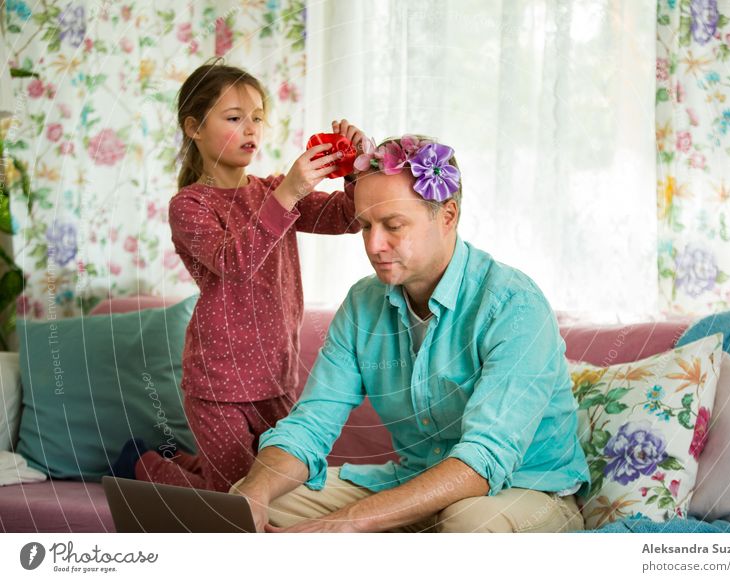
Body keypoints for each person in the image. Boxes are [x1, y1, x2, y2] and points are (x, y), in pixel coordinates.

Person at [231, 135, 590, 532]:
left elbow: (485, 459)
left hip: (525, 491)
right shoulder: (363, 303)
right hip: (414, 480)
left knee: (465, 524)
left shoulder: (514, 304)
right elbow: (311, 424)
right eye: (365, 225)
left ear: (448, 216)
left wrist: (348, 523)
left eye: (393, 225)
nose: (374, 244)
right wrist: (256, 490)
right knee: (250, 505)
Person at [111, 59, 365, 492]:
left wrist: (359, 166)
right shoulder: (190, 206)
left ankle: (183, 461)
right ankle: (142, 462)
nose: (251, 129)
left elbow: (348, 218)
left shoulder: (271, 191)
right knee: (235, 501)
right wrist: (290, 191)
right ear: (194, 128)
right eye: (234, 118)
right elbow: (234, 262)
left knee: (278, 493)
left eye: (258, 119)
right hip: (218, 384)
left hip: (277, 377)